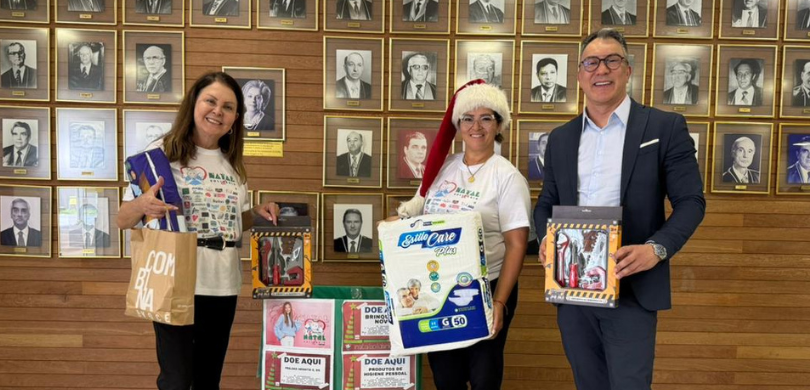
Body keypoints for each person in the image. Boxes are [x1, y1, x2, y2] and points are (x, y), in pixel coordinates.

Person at [533, 29, 705, 390]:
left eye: (612, 60)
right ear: (579, 75)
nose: (602, 70)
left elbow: (691, 202)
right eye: (591, 62)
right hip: (572, 286)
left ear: (628, 70)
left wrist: (656, 249)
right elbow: (547, 202)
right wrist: (546, 239)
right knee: (588, 383)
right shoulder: (561, 138)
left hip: (632, 285)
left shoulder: (664, 127)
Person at [117, 71, 281, 390]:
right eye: (211, 101)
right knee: (176, 380)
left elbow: (229, 221)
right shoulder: (160, 154)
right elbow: (123, 219)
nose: (218, 111)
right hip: (176, 278)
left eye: (228, 107)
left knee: (208, 381)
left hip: (222, 283)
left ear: (236, 118)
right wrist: (143, 205)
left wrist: (255, 215)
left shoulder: (233, 165)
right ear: (194, 103)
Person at [395, 80, 530, 389]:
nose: (476, 126)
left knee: (483, 377)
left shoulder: (507, 176)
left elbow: (516, 244)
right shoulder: (443, 168)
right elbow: (415, 216)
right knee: (446, 377)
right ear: (458, 125)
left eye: (486, 117)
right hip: (438, 289)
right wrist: (390, 227)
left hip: (486, 288)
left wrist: (499, 303)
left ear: (499, 124)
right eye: (468, 118)